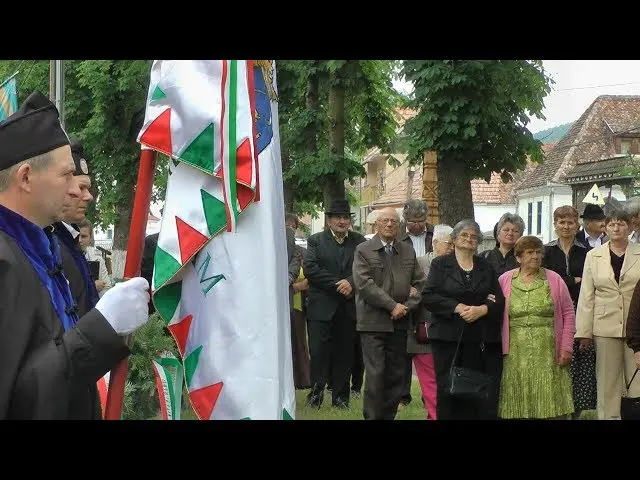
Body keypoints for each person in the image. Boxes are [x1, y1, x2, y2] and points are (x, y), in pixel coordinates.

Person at [0, 91, 150, 419]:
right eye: (66, 175)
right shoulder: (4, 262)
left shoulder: (37, 251)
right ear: (25, 177)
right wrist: (101, 329)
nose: (75, 189)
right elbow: (20, 397)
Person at [422, 219, 504, 420]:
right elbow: (429, 296)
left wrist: (483, 309)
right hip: (447, 338)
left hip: (479, 339)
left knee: (475, 390)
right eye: (465, 235)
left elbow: (499, 299)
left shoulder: (486, 266)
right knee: (448, 389)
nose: (469, 239)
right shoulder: (440, 264)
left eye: (474, 236)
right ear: (454, 239)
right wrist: (457, 307)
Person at [353, 207, 426, 420]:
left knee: (396, 377)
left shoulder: (407, 251)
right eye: (385, 220)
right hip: (372, 323)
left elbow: (420, 284)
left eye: (394, 221)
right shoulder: (363, 250)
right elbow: (364, 284)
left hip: (400, 323)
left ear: (399, 225)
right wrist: (392, 305)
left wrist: (406, 306)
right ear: (376, 224)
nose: (389, 225)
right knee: (376, 376)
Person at [498, 236, 575, 419]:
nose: (535, 256)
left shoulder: (554, 279)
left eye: (539, 252)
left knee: (551, 404)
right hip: (515, 353)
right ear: (518, 257)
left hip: (548, 351)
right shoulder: (504, 280)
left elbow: (569, 314)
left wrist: (566, 347)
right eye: (530, 252)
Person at [575, 209, 640, 419]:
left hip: (636, 326)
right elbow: (586, 294)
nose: (616, 228)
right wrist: (583, 331)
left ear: (629, 226)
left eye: (621, 224)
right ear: (605, 227)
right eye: (611, 224)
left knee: (636, 380)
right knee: (607, 382)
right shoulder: (593, 256)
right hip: (604, 326)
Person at [304, 199, 366, 409]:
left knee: (345, 354)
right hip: (321, 308)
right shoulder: (315, 241)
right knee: (319, 353)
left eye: (345, 217)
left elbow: (365, 269)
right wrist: (337, 285)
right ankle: (316, 397)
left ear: (350, 220)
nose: (341, 221)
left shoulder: (360, 241)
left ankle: (341, 399)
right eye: (337, 217)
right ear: (329, 220)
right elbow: (311, 269)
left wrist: (351, 282)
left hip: (348, 309)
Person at [542, 205, 595, 418]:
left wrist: (565, 282)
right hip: (552, 313)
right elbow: (544, 280)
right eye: (561, 222)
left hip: (581, 309)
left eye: (570, 222)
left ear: (577, 225)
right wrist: (573, 280)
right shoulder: (545, 251)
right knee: (556, 361)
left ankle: (576, 413)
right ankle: (556, 410)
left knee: (580, 363)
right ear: (555, 225)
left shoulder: (588, 253)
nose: (566, 226)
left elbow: (591, 284)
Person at [407, 224, 454, 420]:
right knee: (430, 383)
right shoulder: (418, 263)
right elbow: (409, 293)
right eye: (448, 244)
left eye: (454, 243)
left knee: (446, 383)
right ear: (434, 243)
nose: (452, 248)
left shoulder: (458, 266)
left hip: (450, 334)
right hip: (423, 334)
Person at [52, 139, 101, 318]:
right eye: (81, 187)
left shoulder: (67, 236)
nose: (88, 196)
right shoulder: (51, 241)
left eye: (88, 188)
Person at [396, 199, 435, 407]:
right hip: (405, 293)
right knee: (403, 348)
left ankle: (428, 393)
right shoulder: (398, 236)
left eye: (421, 221)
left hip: (429, 294)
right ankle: (402, 394)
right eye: (413, 221)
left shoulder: (435, 233)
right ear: (405, 218)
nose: (418, 225)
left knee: (427, 346)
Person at [478, 212, 524, 277]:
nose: (510, 233)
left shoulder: (525, 258)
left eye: (515, 231)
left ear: (521, 235)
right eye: (506, 230)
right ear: (498, 233)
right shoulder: (483, 257)